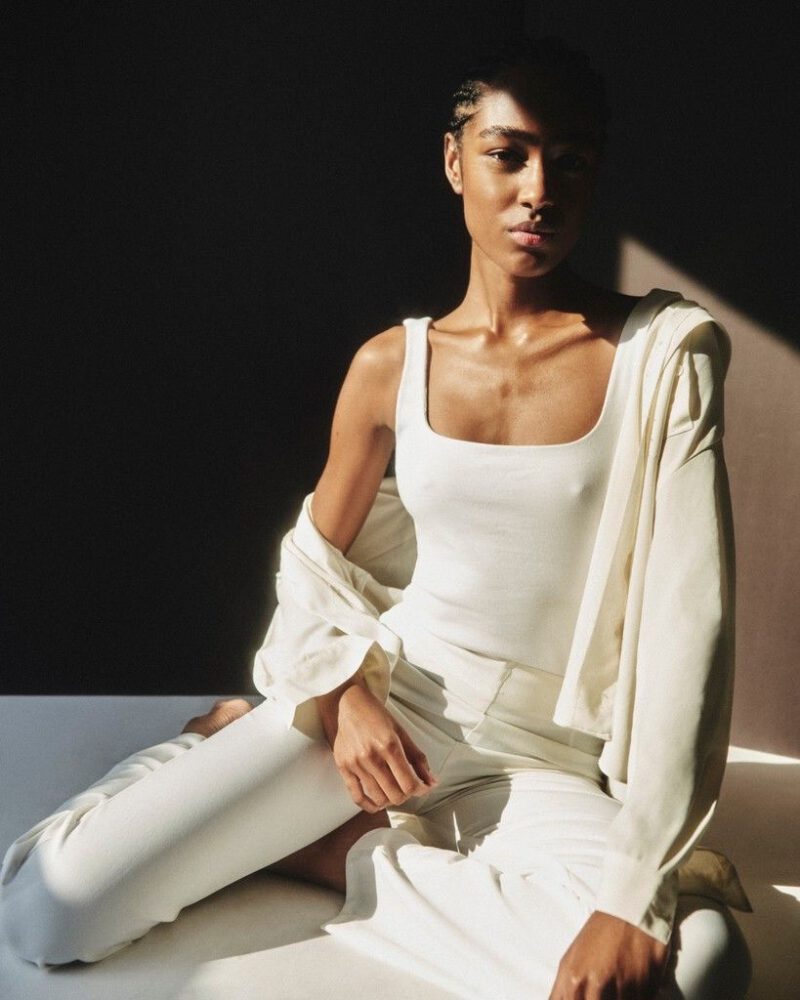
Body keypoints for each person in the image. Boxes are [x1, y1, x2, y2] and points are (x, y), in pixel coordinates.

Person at [0, 35, 753, 1000]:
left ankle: (343, 857)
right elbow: (314, 559)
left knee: (702, 967)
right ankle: (204, 749)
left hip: (543, 762)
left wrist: (638, 890)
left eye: (570, 162)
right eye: (508, 154)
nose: (538, 190)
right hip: (386, 719)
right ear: (455, 162)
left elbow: (694, 622)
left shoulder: (667, 354)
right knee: (49, 913)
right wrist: (344, 691)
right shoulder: (392, 365)